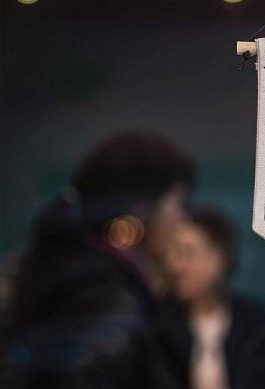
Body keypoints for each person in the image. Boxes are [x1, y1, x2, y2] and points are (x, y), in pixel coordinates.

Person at [9, 132, 194, 388]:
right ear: (141, 208)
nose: (182, 219)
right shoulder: (106, 302)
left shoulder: (75, 274)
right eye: (177, 203)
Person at [157, 207, 265, 389]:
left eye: (187, 253)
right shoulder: (159, 324)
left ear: (219, 258)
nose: (175, 265)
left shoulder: (259, 327)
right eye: (171, 254)